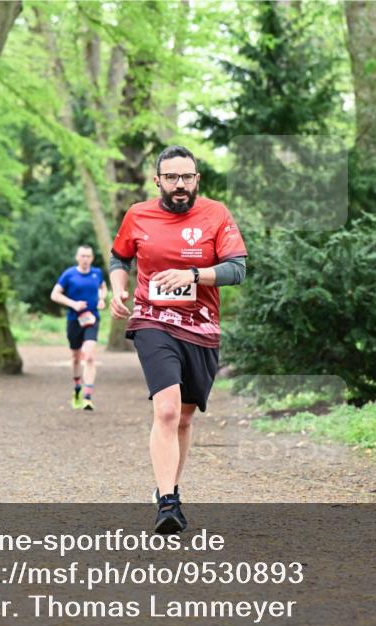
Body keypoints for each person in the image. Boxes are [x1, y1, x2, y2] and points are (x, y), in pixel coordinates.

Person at [109, 145, 247, 534]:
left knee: (185, 417)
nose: (180, 184)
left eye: (187, 176)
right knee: (166, 410)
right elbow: (119, 257)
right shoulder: (138, 215)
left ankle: (165, 484)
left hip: (202, 327)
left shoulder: (216, 214)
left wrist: (193, 275)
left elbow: (237, 270)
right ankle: (169, 503)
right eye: (172, 177)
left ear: (197, 179)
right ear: (158, 181)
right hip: (153, 320)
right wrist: (117, 289)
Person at [51, 246, 108, 410]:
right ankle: (77, 388)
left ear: (92, 258)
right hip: (74, 320)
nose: (85, 259)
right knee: (76, 357)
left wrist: (102, 299)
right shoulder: (69, 274)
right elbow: (55, 295)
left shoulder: (97, 273)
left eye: (88, 256)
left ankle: (88, 396)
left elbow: (102, 288)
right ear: (77, 257)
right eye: (82, 256)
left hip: (92, 319)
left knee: (89, 357)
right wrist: (73, 304)